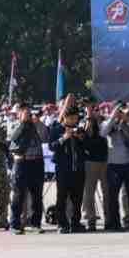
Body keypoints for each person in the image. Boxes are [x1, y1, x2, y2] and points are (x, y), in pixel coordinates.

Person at [100, 103, 129, 231]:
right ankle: (113, 223)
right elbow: (103, 133)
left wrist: (127, 119)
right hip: (114, 164)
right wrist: (113, 117)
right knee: (112, 196)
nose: (121, 113)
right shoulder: (107, 123)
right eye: (119, 110)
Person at [6, 102, 46, 234]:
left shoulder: (35, 124)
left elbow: (45, 136)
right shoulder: (13, 124)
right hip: (22, 162)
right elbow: (12, 136)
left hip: (37, 162)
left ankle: (36, 224)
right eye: (23, 111)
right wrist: (23, 123)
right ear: (18, 113)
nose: (27, 114)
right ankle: (15, 224)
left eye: (28, 112)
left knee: (37, 195)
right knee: (18, 194)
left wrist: (37, 123)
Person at [48, 100, 87, 233]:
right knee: (62, 197)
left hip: (78, 169)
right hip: (63, 170)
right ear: (65, 117)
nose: (74, 121)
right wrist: (64, 137)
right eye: (71, 118)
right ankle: (62, 224)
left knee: (77, 197)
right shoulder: (56, 129)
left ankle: (75, 222)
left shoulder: (79, 129)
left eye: (76, 118)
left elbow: (87, 147)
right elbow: (51, 147)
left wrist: (81, 139)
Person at [79, 107, 109, 230]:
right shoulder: (83, 122)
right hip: (90, 161)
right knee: (89, 192)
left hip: (105, 160)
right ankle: (91, 219)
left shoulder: (103, 122)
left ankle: (109, 218)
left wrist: (97, 120)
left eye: (96, 109)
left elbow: (106, 131)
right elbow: (83, 136)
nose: (94, 112)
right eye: (91, 109)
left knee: (107, 191)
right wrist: (88, 119)